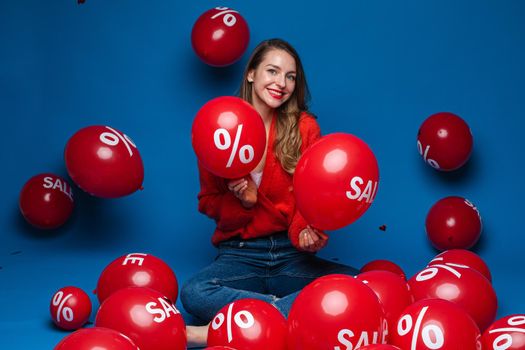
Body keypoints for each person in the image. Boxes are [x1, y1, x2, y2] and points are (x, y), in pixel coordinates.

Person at [182, 38, 358, 347]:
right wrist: (243, 201)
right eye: (272, 71)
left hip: (291, 256)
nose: (282, 83)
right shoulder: (221, 125)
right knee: (195, 293)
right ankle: (293, 314)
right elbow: (208, 202)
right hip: (240, 253)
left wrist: (306, 230)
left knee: (359, 285)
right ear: (251, 73)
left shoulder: (304, 127)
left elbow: (313, 194)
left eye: (290, 76)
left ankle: (228, 328)